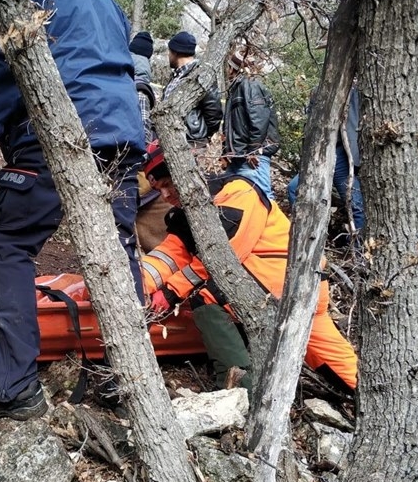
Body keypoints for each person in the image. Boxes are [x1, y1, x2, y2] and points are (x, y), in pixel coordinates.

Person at [0, 0, 146, 421]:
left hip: (60, 129)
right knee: (118, 250)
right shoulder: (106, 0)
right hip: (122, 134)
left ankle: (15, 386)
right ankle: (126, 378)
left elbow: (4, 59)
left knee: (7, 244)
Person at [140, 142, 358, 392]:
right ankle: (368, 396)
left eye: (167, 184)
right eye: (158, 189)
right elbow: (169, 256)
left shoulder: (237, 192)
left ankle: (242, 391)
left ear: (184, 173)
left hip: (287, 280)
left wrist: (170, 292)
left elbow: (225, 254)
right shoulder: (188, 213)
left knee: (207, 297)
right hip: (283, 283)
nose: (165, 195)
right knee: (340, 368)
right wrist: (136, 283)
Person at [287, 86, 365, 231]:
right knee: (294, 189)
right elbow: (310, 125)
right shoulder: (319, 91)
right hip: (319, 154)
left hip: (342, 154)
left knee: (355, 204)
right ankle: (304, 235)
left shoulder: (356, 91)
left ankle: (358, 244)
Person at [129, 30, 172, 252]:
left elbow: (143, 132)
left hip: (132, 163)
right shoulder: (142, 87)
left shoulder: (134, 88)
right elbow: (146, 133)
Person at [221, 51, 280, 200]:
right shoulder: (236, 88)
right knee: (232, 197)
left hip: (251, 156)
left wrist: (253, 151)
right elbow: (232, 127)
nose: (226, 70)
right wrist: (226, 152)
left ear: (233, 68)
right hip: (239, 155)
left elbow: (259, 120)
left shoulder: (250, 85)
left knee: (262, 197)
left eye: (228, 66)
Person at [163, 31, 224, 150]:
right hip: (172, 142)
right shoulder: (176, 77)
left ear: (176, 52)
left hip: (193, 143)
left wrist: (199, 136)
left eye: (169, 51)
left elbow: (214, 114)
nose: (168, 55)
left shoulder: (201, 75)